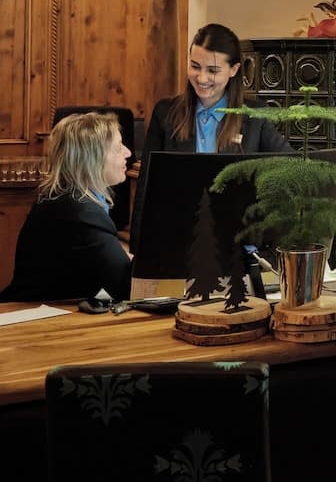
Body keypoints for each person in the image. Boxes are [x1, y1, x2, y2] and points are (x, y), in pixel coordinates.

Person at [0, 112, 132, 301]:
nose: (128, 153)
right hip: (35, 313)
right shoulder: (81, 211)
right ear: (93, 158)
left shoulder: (62, 196)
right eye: (118, 148)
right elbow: (125, 284)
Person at [144, 23, 292, 154]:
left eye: (212, 70)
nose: (201, 78)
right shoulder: (164, 113)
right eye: (195, 66)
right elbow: (148, 175)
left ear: (233, 70)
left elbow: (292, 166)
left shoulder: (256, 117)